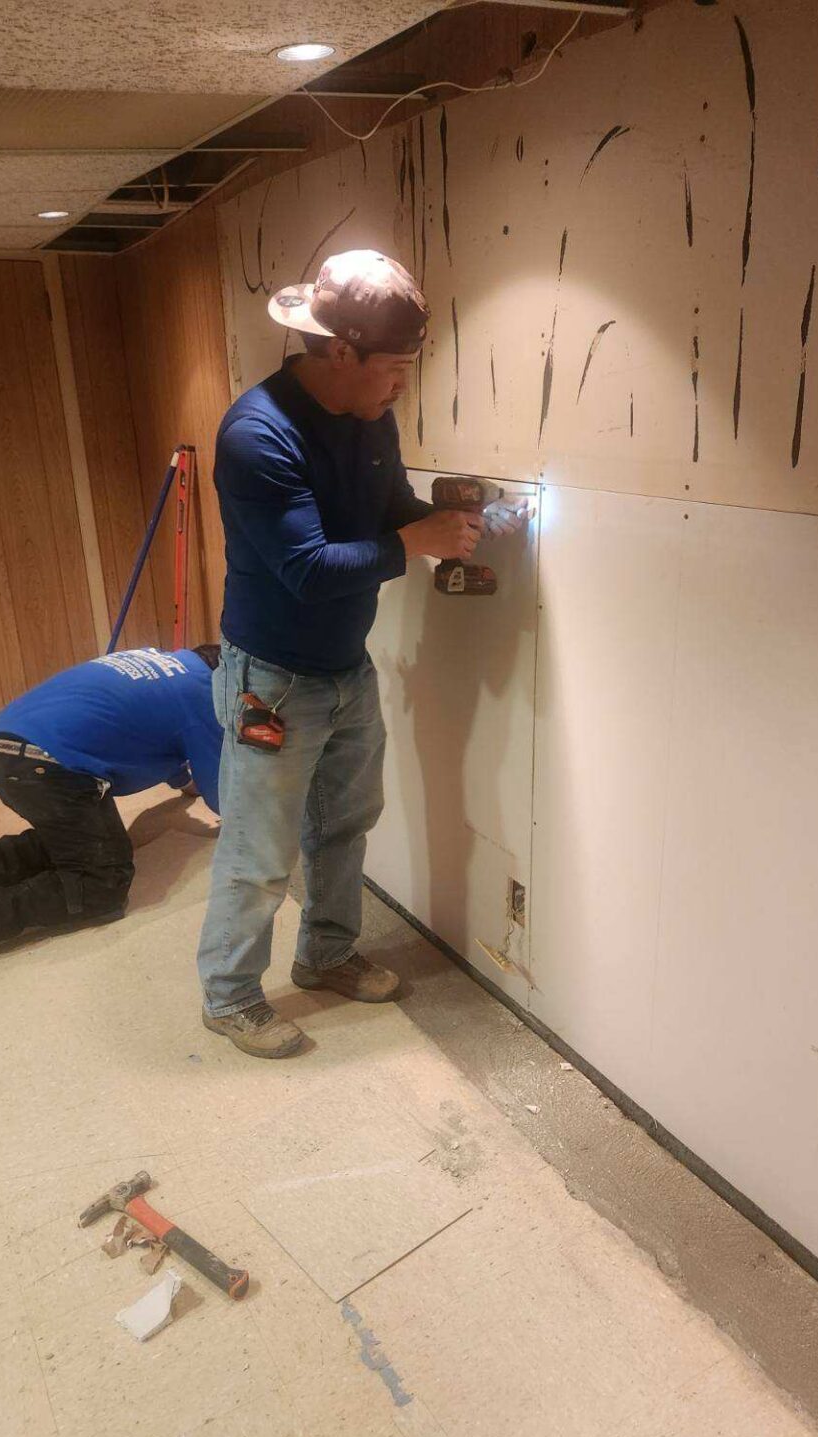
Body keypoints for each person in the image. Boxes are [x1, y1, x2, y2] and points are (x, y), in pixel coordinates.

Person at [197, 248, 530, 1060]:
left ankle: (326, 955)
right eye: (397, 368)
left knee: (345, 825)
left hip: (347, 665)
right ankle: (230, 996)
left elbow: (387, 509)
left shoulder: (371, 415)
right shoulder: (257, 436)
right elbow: (308, 569)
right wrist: (417, 541)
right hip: (272, 678)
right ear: (340, 351)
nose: (403, 386)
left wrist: (455, 526)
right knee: (261, 852)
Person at [0, 644, 223, 999]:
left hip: (5, 752)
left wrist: (185, 783)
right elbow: (226, 796)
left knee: (84, 843)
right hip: (51, 770)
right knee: (103, 882)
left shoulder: (163, 664)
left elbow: (161, 739)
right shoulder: (205, 694)